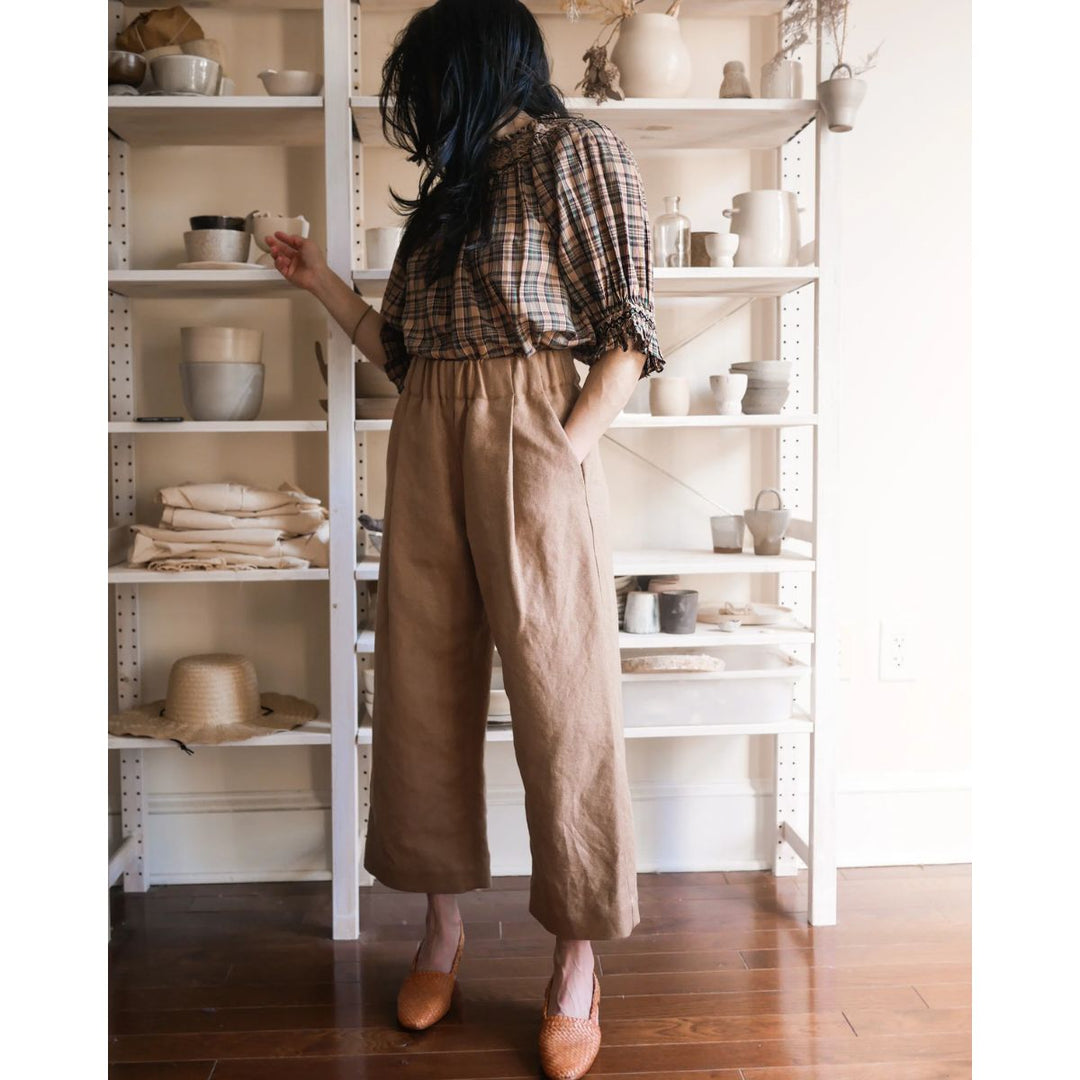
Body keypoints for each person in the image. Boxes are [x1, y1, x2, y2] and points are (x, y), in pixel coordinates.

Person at [267, 1, 664, 1075]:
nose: (422, 112)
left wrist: (563, 452)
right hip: (428, 428)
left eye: (431, 86)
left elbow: (629, 331)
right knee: (422, 685)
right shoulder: (449, 196)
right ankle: (440, 931)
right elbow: (400, 350)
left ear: (479, 67)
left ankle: (576, 965)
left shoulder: (576, 154)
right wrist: (318, 284)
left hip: (532, 429)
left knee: (563, 696)